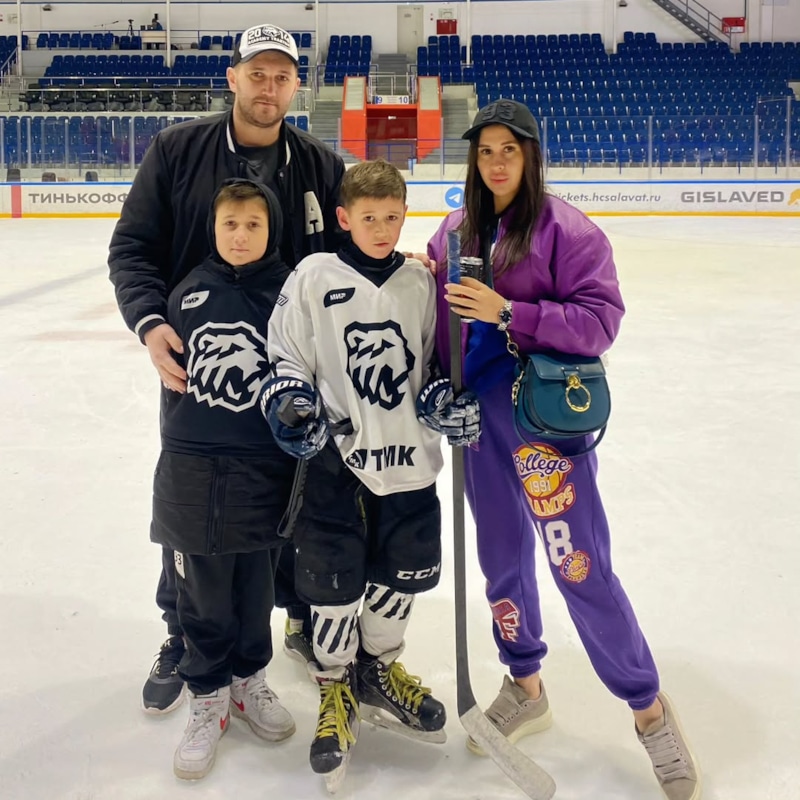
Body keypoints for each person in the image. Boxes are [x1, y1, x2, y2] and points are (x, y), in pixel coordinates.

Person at [426, 100, 700, 800]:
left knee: (578, 564)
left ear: (531, 156)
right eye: (485, 151)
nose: (496, 163)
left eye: (509, 150)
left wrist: (511, 313)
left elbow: (600, 321)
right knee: (500, 559)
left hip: (545, 427)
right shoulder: (454, 230)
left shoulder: (568, 231)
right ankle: (525, 682)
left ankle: (647, 708)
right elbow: (434, 317)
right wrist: (434, 382)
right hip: (479, 428)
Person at [108, 22, 345, 716]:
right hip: (198, 374)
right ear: (233, 77)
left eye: (282, 77)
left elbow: (347, 257)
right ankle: (183, 633)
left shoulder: (319, 165)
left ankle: (284, 623)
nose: (268, 88)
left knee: (286, 498)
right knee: (192, 506)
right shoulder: (176, 151)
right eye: (257, 74)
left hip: (289, 374)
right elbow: (133, 248)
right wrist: (150, 323)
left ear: (296, 86)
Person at [260, 159, 480, 792]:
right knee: (333, 582)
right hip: (338, 461)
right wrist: (289, 400)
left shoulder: (420, 281)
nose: (382, 229)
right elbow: (286, 354)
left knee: (402, 573)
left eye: (392, 217)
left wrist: (442, 400)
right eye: (368, 218)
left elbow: (433, 362)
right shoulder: (313, 275)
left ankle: (377, 669)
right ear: (343, 218)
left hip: (409, 459)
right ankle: (335, 683)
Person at [155, 179, 296, 779]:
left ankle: (248, 681)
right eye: (229, 224)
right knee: (202, 593)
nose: (240, 236)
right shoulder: (188, 292)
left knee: (256, 587)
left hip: (263, 467)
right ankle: (207, 693)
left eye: (253, 225)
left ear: (272, 228)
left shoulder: (290, 291)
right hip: (193, 471)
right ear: (213, 229)